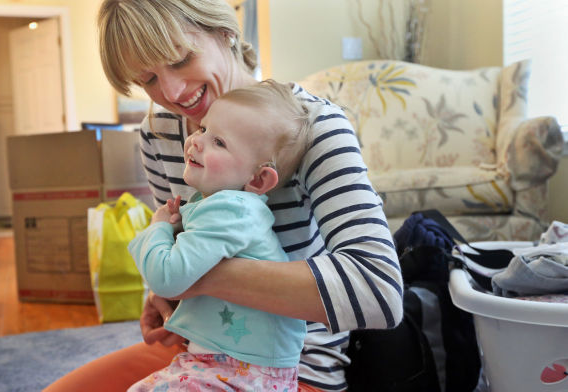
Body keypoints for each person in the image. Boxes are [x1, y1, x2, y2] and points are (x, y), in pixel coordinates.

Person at [45, 1, 403, 391]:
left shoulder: (313, 126)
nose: (171, 92)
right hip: (195, 351)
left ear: (225, 32)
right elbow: (182, 245)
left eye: (181, 59)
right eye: (147, 79)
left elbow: (378, 291)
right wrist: (163, 295)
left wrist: (188, 278)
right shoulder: (160, 132)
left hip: (289, 370)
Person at [127, 79, 310, 391]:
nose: (196, 142)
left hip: (244, 369)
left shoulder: (230, 210)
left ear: (258, 178)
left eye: (219, 143)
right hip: (233, 361)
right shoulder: (224, 206)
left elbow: (167, 277)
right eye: (203, 130)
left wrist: (157, 226)